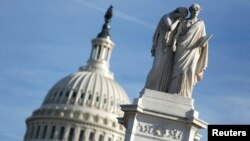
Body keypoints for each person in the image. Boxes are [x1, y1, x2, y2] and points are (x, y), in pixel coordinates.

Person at [168, 4, 209, 97]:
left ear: (199, 12)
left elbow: (203, 37)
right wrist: (174, 43)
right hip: (181, 48)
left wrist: (204, 43)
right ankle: (174, 91)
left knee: (190, 70)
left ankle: (186, 94)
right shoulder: (184, 22)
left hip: (194, 50)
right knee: (178, 70)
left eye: (197, 11)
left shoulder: (201, 23)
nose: (195, 12)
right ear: (190, 11)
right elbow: (177, 34)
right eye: (193, 10)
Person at [144, 7, 188, 92]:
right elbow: (170, 28)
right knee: (157, 67)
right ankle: (148, 88)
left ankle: (160, 90)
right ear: (177, 13)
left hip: (169, 49)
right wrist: (178, 20)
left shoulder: (178, 22)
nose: (182, 19)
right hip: (161, 46)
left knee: (166, 72)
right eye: (182, 16)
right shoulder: (166, 17)